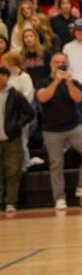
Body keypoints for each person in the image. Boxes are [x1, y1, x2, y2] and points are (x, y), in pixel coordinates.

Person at [36, 53, 82, 209]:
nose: (59, 64)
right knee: (56, 164)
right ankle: (59, 198)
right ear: (51, 64)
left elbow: (78, 98)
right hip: (52, 130)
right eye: (56, 62)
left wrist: (69, 82)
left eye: (63, 62)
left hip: (73, 126)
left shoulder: (73, 82)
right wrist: (56, 81)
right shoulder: (42, 82)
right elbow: (43, 98)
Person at [0, 65, 34, 214]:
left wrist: (16, 125)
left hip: (12, 138)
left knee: (13, 171)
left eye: (2, 75)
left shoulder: (15, 95)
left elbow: (29, 113)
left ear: (8, 78)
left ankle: (11, 202)